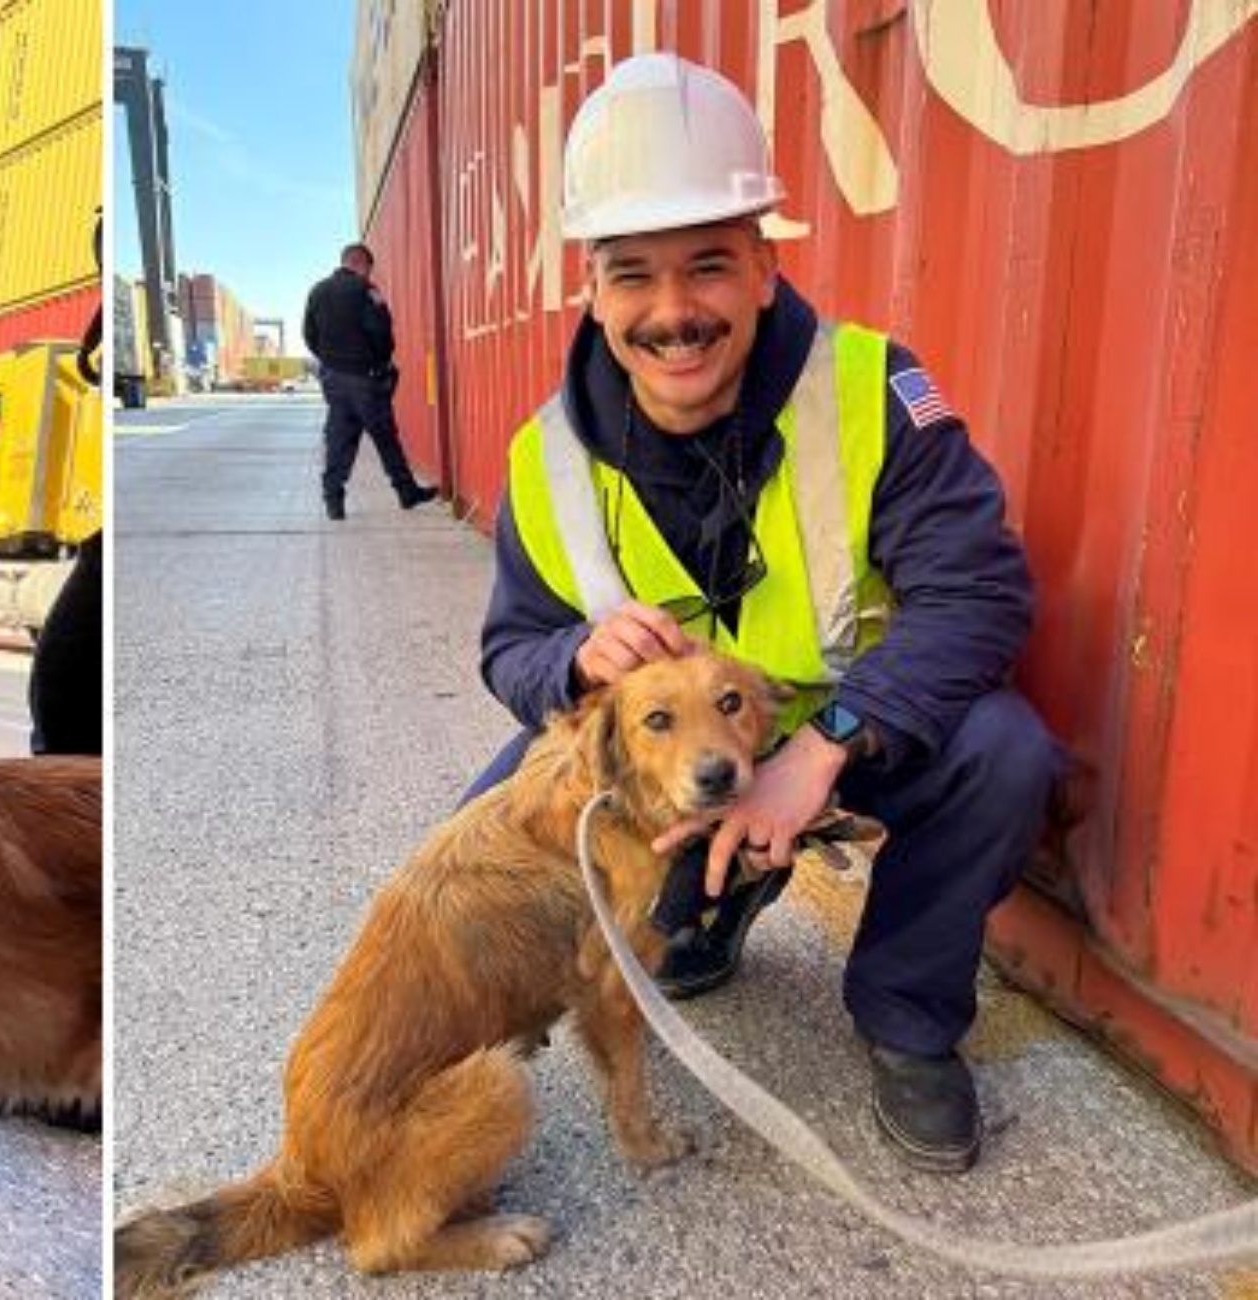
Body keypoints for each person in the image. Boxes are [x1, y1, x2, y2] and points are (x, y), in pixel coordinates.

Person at [469, 53, 1059, 1174]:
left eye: (708, 266)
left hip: (854, 732)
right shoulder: (544, 460)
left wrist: (823, 747)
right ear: (593, 291)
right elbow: (511, 646)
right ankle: (705, 902)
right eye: (633, 275)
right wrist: (570, 657)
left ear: (764, 270)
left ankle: (907, 1015)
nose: (674, 311)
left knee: (1004, 750)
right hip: (674, 753)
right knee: (490, 819)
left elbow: (978, 592)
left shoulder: (870, 393)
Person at [300, 243, 436, 520]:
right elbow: (382, 331)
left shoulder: (317, 290)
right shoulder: (366, 290)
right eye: (368, 268)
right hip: (365, 378)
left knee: (339, 438)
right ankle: (406, 492)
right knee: (386, 437)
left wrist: (330, 360)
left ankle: (333, 501)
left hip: (333, 380)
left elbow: (308, 333)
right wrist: (380, 361)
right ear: (363, 264)